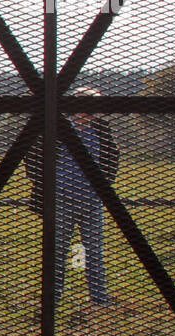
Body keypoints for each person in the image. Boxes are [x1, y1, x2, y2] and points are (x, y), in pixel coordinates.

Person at [25, 86, 120, 306]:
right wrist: (42, 184)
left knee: (93, 250)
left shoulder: (100, 129)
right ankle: (53, 297)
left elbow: (111, 158)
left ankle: (98, 297)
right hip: (61, 199)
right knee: (57, 251)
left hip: (91, 199)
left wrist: (104, 185)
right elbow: (32, 156)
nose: (88, 114)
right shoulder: (56, 126)